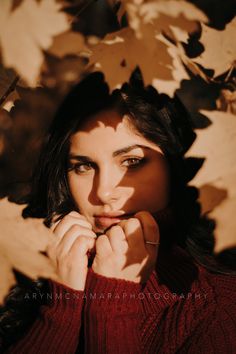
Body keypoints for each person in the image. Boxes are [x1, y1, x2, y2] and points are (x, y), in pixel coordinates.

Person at [0, 71, 236, 354]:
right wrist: (60, 310)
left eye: (132, 161)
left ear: (176, 165)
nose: (103, 192)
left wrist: (113, 305)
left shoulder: (217, 307)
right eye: (83, 166)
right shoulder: (17, 271)